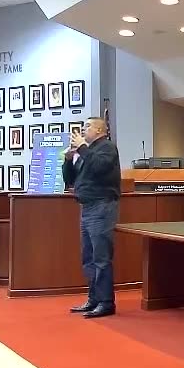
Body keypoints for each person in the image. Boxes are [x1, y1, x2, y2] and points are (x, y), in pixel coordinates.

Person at [62, 116, 121, 319]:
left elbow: (100, 167)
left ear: (99, 130)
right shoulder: (87, 152)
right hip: (86, 208)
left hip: (102, 207)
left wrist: (82, 148)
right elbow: (70, 180)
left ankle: (106, 302)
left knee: (101, 257)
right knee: (88, 258)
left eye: (87, 126)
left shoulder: (107, 147)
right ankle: (94, 299)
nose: (83, 130)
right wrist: (68, 161)